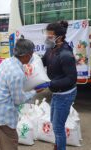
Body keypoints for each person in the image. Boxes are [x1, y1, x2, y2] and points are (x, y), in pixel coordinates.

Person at [0, 38, 44, 150]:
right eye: (31, 53)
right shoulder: (17, 73)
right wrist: (34, 91)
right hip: (1, 115)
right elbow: (18, 100)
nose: (32, 56)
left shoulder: (7, 61)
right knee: (10, 143)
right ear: (26, 55)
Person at [42, 21, 77, 150]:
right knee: (54, 122)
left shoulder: (66, 54)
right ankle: (57, 145)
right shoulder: (51, 49)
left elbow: (72, 78)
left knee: (58, 126)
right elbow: (43, 61)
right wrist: (31, 63)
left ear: (59, 37)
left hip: (65, 94)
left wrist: (51, 83)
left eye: (50, 36)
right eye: (47, 35)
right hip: (57, 92)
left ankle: (60, 147)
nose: (47, 38)